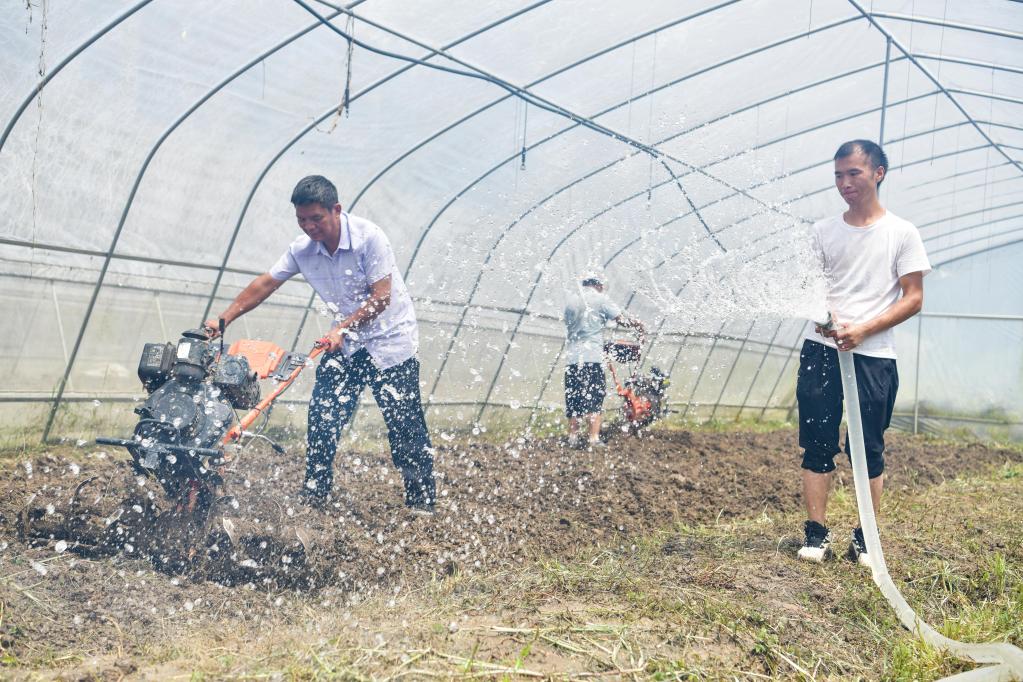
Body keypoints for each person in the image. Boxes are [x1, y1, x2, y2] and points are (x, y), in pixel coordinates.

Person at [204, 175, 436, 515]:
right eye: (302, 219)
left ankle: (421, 502)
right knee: (323, 418)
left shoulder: (369, 238)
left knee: (404, 423)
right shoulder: (302, 250)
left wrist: (341, 327)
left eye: (316, 218)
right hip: (345, 346)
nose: (309, 226)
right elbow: (266, 284)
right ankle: (315, 493)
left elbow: (381, 298)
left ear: (336, 210)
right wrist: (223, 320)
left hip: (391, 344)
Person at [797, 140, 930, 564]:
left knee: (867, 449)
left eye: (853, 173)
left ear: (878, 173)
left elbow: (913, 298)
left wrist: (864, 330)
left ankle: (865, 537)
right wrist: (823, 316)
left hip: (874, 356)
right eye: (838, 175)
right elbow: (811, 287)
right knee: (817, 443)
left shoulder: (902, 233)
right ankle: (816, 534)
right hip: (822, 352)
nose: (844, 183)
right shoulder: (823, 231)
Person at [563, 275, 644, 450]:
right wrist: (638, 325)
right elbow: (621, 319)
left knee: (574, 400)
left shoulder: (571, 302)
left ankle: (573, 438)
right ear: (597, 285)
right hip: (592, 358)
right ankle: (593, 439)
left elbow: (576, 328)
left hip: (572, 360)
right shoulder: (600, 299)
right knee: (593, 398)